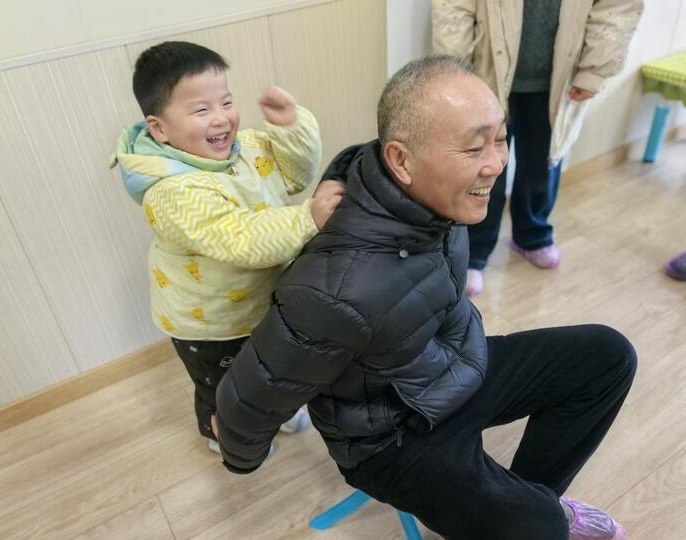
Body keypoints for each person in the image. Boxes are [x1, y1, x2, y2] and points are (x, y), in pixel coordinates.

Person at [214, 55, 637, 540]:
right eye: (473, 147)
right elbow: (253, 393)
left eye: (500, 138)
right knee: (541, 528)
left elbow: (360, 152)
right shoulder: (337, 287)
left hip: (453, 367)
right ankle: (536, 514)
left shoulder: (431, 192)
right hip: (390, 438)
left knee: (608, 356)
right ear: (402, 162)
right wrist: (239, 456)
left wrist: (335, 172)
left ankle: (529, 498)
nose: (496, 163)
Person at [110, 41, 344, 454]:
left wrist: (291, 128)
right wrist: (307, 218)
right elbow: (241, 238)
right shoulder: (172, 192)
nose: (221, 118)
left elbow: (295, 176)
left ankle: (276, 412)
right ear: (159, 128)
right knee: (224, 388)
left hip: (261, 303)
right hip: (209, 324)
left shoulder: (245, 149)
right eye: (201, 110)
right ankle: (225, 434)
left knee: (273, 367)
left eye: (227, 102)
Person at [432, 0, 643, 296]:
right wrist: (456, 72)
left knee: (542, 164)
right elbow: (454, 6)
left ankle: (532, 234)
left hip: (557, 78)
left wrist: (595, 68)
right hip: (484, 72)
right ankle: (473, 250)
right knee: (481, 170)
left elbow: (616, 6)